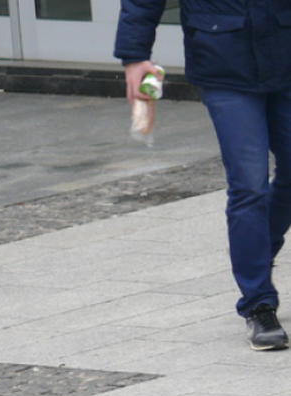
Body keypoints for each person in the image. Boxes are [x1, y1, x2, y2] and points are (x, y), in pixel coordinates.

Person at [114, 1, 291, 351]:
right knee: (249, 184)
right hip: (223, 58)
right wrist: (134, 56)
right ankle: (258, 304)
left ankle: (256, 250)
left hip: (285, 48)